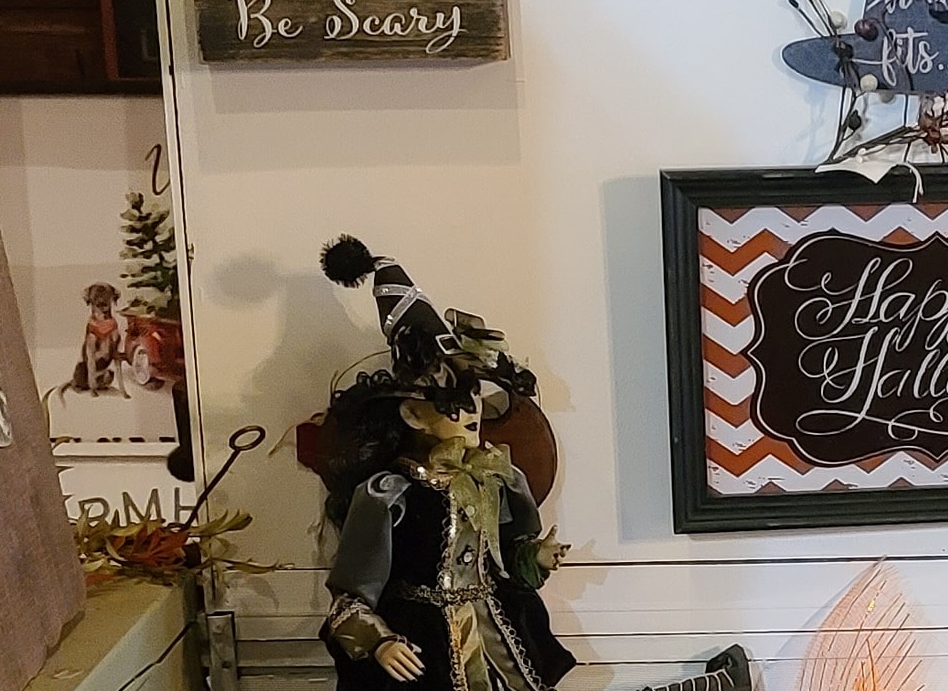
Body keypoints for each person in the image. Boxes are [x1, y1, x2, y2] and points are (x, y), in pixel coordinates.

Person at [315, 237, 752, 691]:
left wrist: (534, 556)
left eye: (474, 398)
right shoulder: (389, 494)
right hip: (425, 644)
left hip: (494, 629)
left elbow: (505, 556)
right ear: (413, 415)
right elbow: (351, 593)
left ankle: (718, 685)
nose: (471, 412)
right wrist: (379, 640)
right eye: (453, 403)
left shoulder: (493, 476)